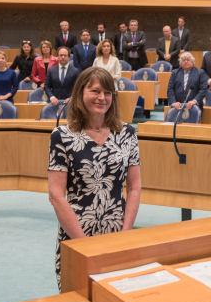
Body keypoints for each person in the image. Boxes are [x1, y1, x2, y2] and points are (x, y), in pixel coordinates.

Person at [48, 67, 141, 288]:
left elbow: (135, 187)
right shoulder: (62, 136)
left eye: (108, 92)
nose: (102, 98)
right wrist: (84, 245)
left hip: (116, 234)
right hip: (77, 235)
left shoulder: (127, 133)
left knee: (117, 300)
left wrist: (125, 235)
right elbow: (55, 194)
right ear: (81, 92)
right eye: (95, 91)